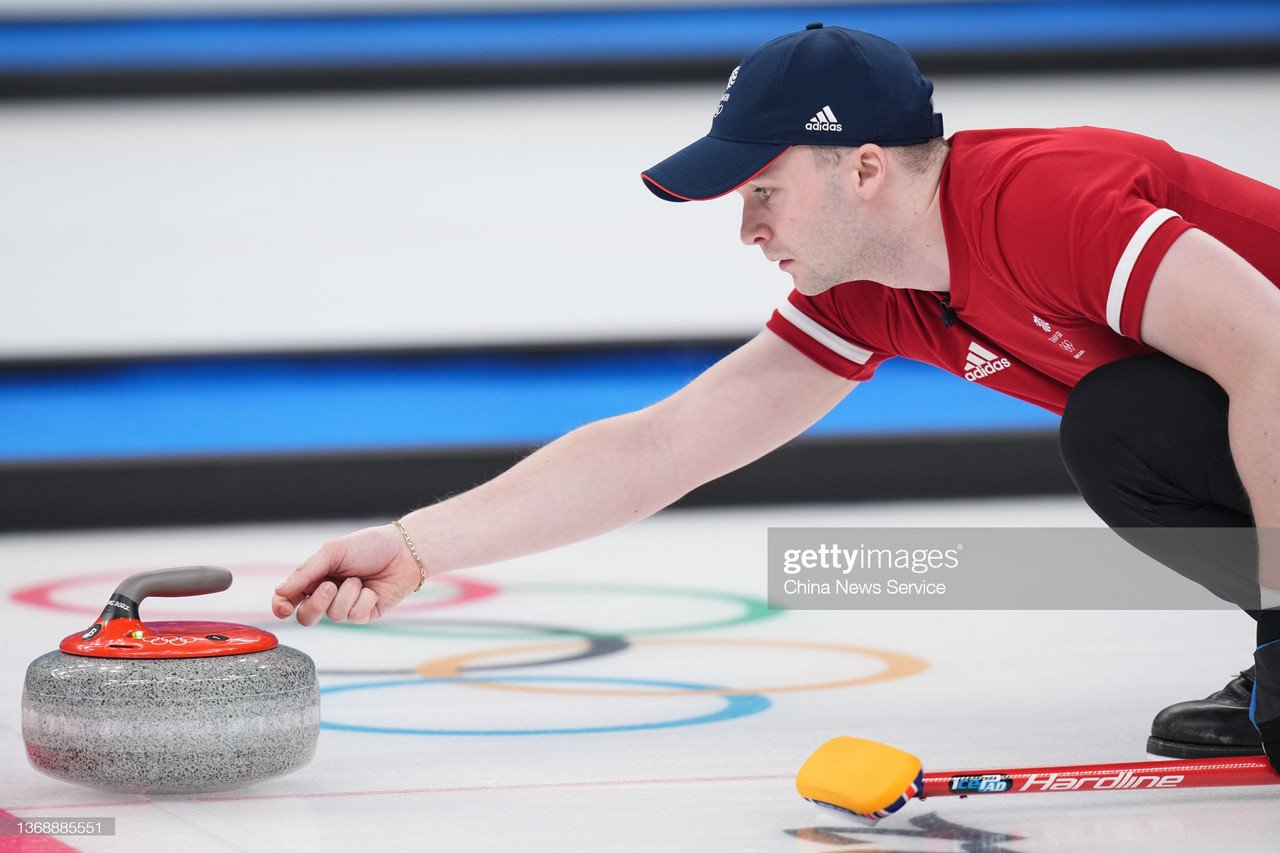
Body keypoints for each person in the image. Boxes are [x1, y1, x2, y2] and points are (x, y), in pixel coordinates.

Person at [271, 24, 1280, 770]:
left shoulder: (1040, 201)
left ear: (867, 170)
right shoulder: (870, 296)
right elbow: (664, 446)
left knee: (1125, 422)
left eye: (761, 190)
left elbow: (1267, 354)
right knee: (1126, 433)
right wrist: (413, 547)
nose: (745, 228)